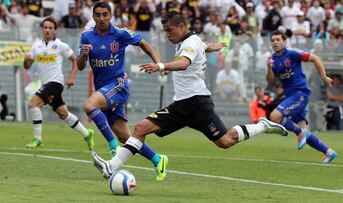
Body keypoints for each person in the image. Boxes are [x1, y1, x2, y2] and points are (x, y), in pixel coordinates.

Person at [90, 11, 288, 178]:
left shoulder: (189, 43)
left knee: (225, 141)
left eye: (170, 30)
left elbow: (184, 62)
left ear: (182, 27)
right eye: (165, 31)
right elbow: (202, 47)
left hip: (197, 104)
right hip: (182, 105)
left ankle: (263, 125)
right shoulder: (192, 40)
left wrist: (161, 65)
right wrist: (213, 47)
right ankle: (111, 167)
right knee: (141, 128)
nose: (167, 35)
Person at [77, 2, 168, 180]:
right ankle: (158, 160)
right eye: (98, 15)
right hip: (103, 90)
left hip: (118, 85)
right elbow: (80, 67)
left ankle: (112, 147)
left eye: (105, 14)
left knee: (89, 105)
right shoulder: (86, 37)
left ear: (110, 15)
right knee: (126, 137)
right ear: (93, 17)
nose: (102, 18)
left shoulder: (120, 33)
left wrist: (158, 63)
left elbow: (144, 44)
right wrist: (83, 55)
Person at [23, 16, 94, 150]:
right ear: (42, 29)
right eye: (45, 27)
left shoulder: (61, 45)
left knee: (33, 104)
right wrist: (25, 60)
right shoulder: (36, 46)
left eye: (50, 28)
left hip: (56, 83)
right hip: (46, 84)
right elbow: (27, 66)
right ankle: (87, 133)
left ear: (55, 30)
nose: (47, 30)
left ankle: (37, 139)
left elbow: (75, 60)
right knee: (63, 113)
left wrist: (72, 77)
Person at [266, 30, 337, 164]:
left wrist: (324, 77)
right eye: (273, 40)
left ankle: (300, 132)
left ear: (284, 41)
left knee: (275, 116)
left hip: (300, 93)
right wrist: (269, 68)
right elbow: (270, 81)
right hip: (291, 96)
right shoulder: (273, 60)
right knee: (303, 131)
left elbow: (315, 58)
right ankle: (328, 151)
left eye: (278, 39)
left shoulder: (292, 53)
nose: (275, 42)